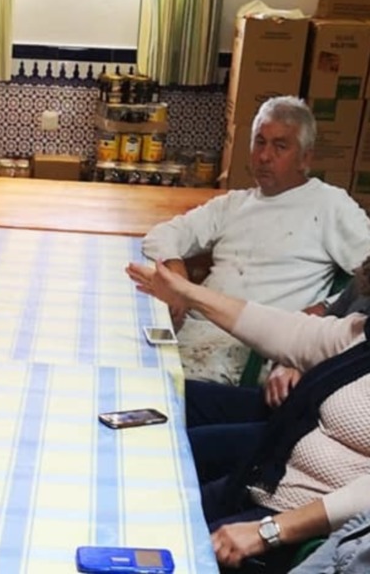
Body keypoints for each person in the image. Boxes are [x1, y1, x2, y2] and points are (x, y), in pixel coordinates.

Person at [126, 258, 370, 572]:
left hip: (292, 525)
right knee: (142, 515)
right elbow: (292, 333)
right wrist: (187, 293)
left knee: (157, 548)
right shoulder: (362, 334)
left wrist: (271, 530)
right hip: (258, 480)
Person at [142, 96, 370, 385]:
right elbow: (162, 235)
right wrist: (177, 278)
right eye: (259, 142)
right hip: (195, 330)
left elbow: (367, 279)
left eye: (280, 146)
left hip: (252, 353)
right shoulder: (234, 203)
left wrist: (324, 310)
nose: (264, 156)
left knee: (149, 386)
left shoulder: (330, 204)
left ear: (306, 158)